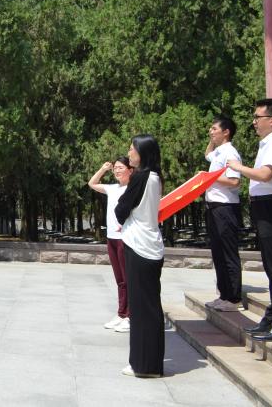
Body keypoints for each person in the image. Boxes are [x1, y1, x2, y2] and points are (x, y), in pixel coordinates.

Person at [227, 98, 272, 342]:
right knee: (271, 268)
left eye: (258, 117)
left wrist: (238, 167)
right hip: (265, 208)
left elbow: (265, 175)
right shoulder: (269, 142)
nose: (254, 122)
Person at [115, 135, 165, 378]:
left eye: (132, 149)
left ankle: (144, 365)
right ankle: (151, 363)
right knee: (151, 307)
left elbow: (121, 209)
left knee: (141, 308)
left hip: (139, 245)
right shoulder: (155, 177)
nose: (129, 153)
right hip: (152, 245)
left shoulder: (141, 177)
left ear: (142, 152)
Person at [202, 116, 244, 313]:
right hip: (214, 206)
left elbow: (235, 181)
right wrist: (212, 139)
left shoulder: (230, 152)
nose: (210, 131)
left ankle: (234, 298)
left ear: (226, 132)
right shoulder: (219, 151)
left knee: (228, 253)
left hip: (225, 207)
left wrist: (210, 178)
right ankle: (224, 295)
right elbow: (207, 154)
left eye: (214, 129)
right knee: (218, 253)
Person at [88, 157, 132, 332]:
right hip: (112, 237)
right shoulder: (112, 188)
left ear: (130, 170)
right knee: (120, 279)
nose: (117, 171)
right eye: (115, 168)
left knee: (128, 279)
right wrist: (103, 169)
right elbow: (92, 183)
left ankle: (130, 316)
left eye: (121, 167)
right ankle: (121, 314)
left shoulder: (132, 189)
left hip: (125, 238)